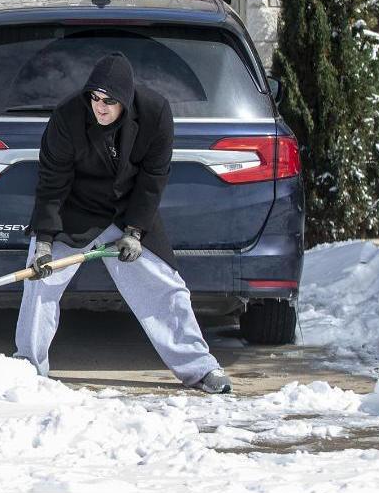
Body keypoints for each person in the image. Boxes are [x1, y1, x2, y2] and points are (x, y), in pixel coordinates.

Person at [14, 52, 232, 394]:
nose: (99, 107)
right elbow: (52, 181)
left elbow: (154, 176)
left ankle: (200, 368)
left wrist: (134, 231)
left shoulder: (155, 113)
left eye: (109, 101)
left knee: (165, 285)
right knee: (41, 280)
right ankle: (28, 367)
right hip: (77, 210)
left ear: (126, 101)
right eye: (95, 98)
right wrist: (44, 240)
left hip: (129, 210)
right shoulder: (68, 116)